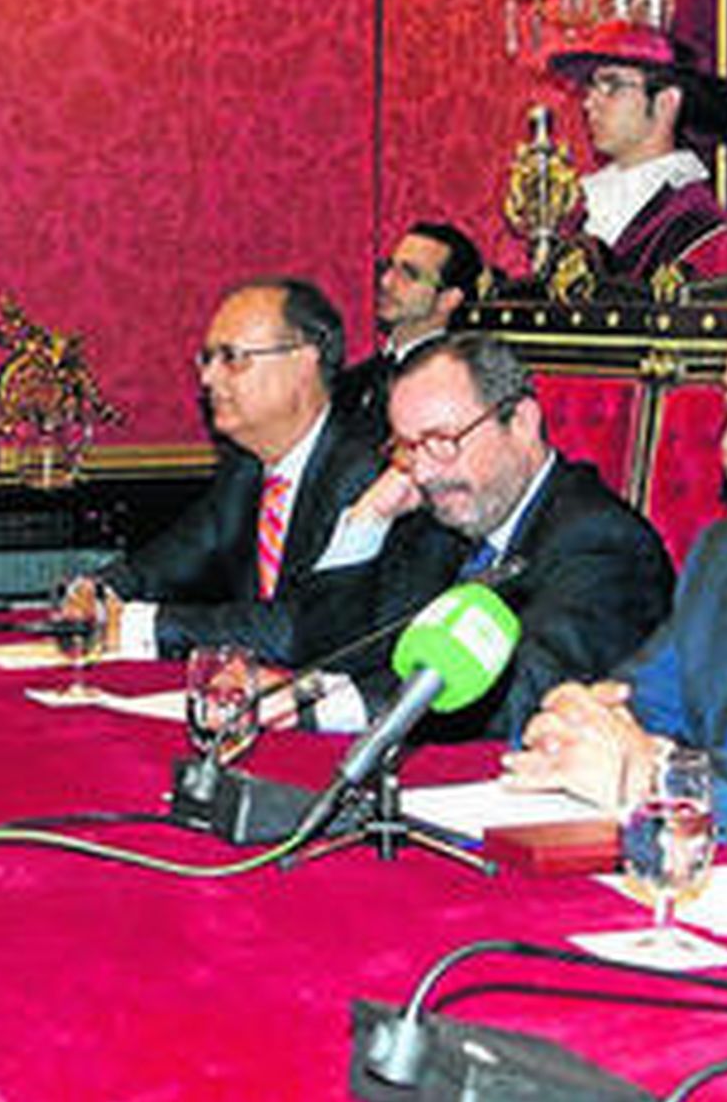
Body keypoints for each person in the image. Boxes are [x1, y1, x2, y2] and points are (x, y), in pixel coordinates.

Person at [324, 333, 672, 740]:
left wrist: (342, 708)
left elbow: (524, 697)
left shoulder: (603, 543)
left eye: (440, 442)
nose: (421, 473)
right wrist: (368, 520)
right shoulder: (440, 522)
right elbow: (339, 646)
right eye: (407, 448)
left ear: (522, 423)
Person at [502, 321, 727, 835]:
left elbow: (648, 766)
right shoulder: (723, 557)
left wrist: (655, 777)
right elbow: (640, 700)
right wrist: (578, 720)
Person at [72, 278, 381, 666]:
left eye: (232, 358)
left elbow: (300, 631)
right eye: (207, 359)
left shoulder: (365, 472)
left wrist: (143, 624)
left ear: (305, 361)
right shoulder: (245, 469)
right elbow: (166, 564)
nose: (208, 379)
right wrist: (95, 592)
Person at [547, 19, 727, 286]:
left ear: (666, 103)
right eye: (591, 87)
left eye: (612, 85)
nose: (588, 102)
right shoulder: (581, 215)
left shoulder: (705, 237)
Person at [333, 222, 483, 437]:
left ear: (448, 299)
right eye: (389, 267)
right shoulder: (348, 383)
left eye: (410, 274)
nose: (386, 282)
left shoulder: (459, 387)